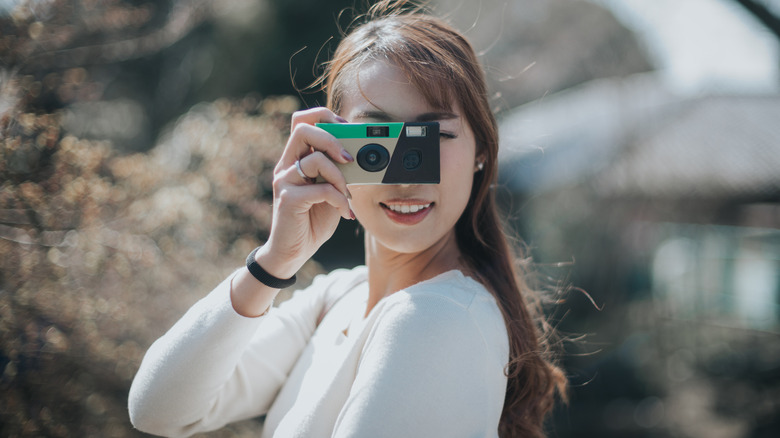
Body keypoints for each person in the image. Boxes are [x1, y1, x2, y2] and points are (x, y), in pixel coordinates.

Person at [128, 1, 567, 437]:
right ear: (330, 147)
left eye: (431, 138)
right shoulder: (339, 298)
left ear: (481, 152)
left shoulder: (438, 317)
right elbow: (158, 410)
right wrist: (276, 259)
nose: (405, 177)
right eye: (376, 140)